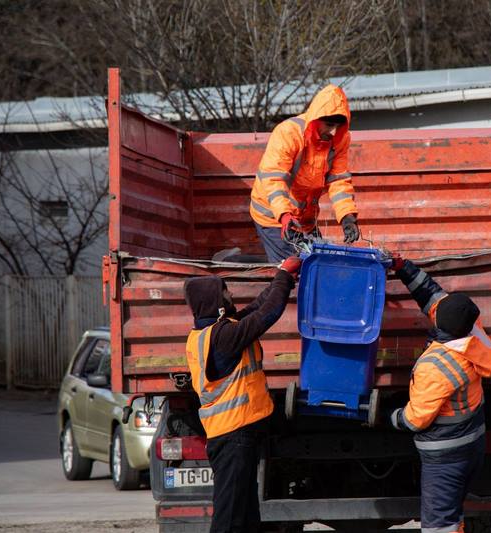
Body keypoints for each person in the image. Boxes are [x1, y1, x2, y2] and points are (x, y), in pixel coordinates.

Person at [183, 256, 302, 533]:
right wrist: (284, 276)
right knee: (229, 518)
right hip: (233, 435)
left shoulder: (210, 333)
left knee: (246, 516)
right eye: (225, 292)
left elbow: (257, 307)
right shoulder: (223, 337)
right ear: (214, 301)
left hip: (234, 435)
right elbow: (267, 315)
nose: (231, 296)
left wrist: (281, 277)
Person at [388, 255, 491, 533]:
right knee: (452, 517)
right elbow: (432, 295)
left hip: (444, 457)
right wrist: (403, 267)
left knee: (439, 525)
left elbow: (416, 420)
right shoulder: (473, 336)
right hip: (470, 446)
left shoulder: (436, 366)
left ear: (438, 322)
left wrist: (392, 416)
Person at [249, 84, 360, 262]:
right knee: (292, 267)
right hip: (273, 216)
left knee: (315, 262)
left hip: (304, 220)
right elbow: (274, 179)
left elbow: (339, 181)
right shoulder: (289, 133)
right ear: (316, 119)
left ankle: (236, 259)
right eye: (329, 125)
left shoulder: (340, 139)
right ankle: (233, 262)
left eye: (338, 126)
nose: (333, 132)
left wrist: (347, 217)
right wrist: (284, 216)